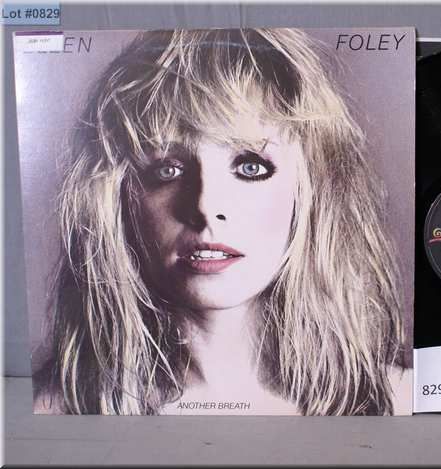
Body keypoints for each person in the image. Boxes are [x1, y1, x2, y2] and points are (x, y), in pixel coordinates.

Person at [33, 28, 408, 416]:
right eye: (167, 170)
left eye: (250, 167)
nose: (206, 206)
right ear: (118, 198)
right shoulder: (48, 412)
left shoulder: (402, 401)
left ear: (312, 191)